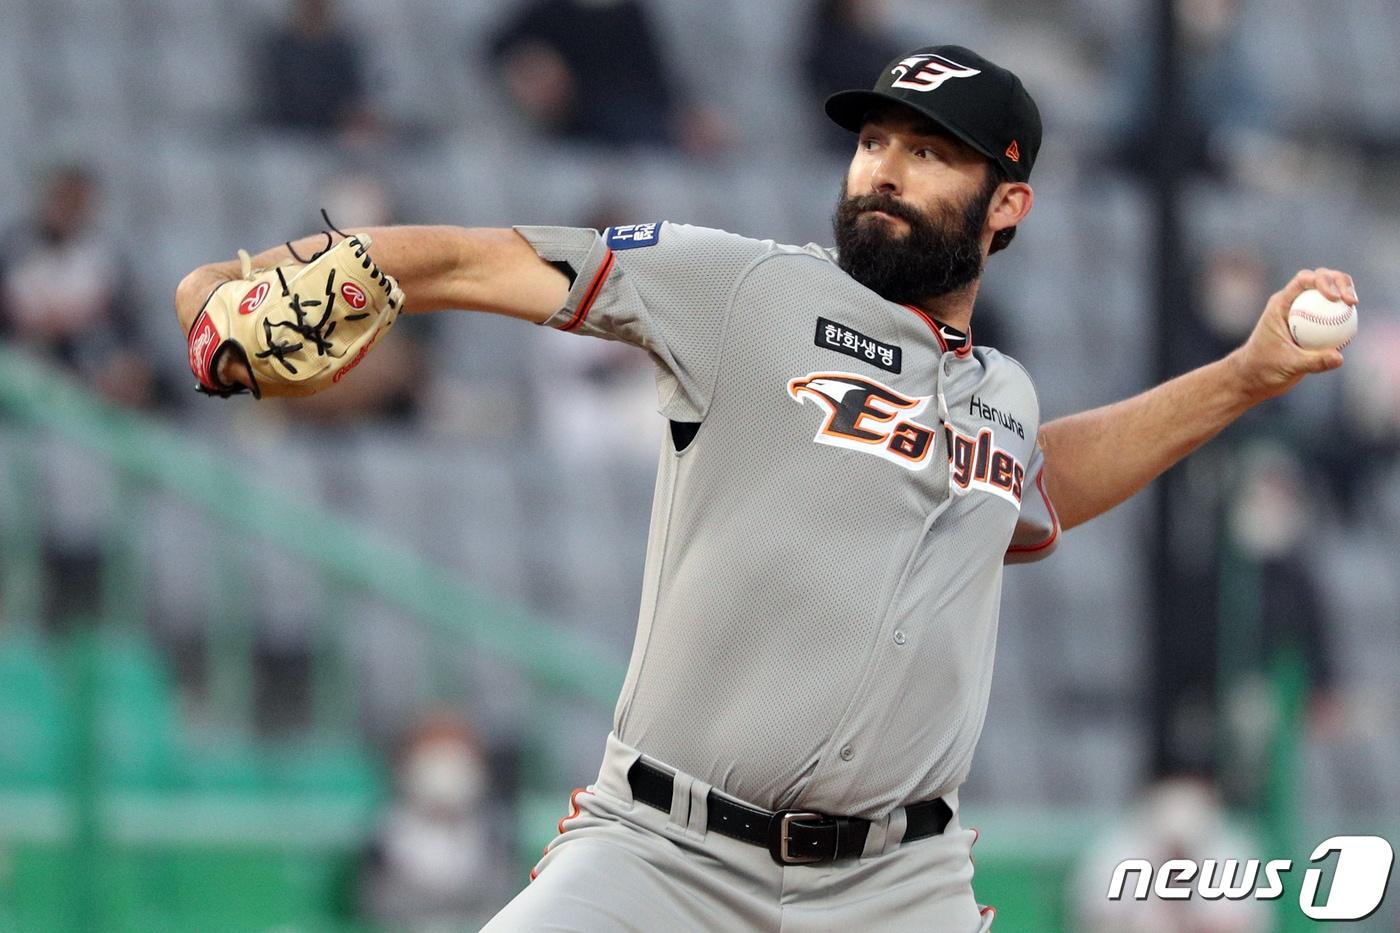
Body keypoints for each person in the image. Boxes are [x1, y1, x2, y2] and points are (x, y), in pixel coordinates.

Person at [175, 44, 1353, 931]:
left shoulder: (1001, 393)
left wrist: (1246, 375)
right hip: (661, 857)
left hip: (897, 886)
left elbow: (1034, 488)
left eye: (928, 153)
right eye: (873, 141)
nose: (884, 169)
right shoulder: (747, 291)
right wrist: (294, 276)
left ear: (1007, 204)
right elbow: (485, 259)